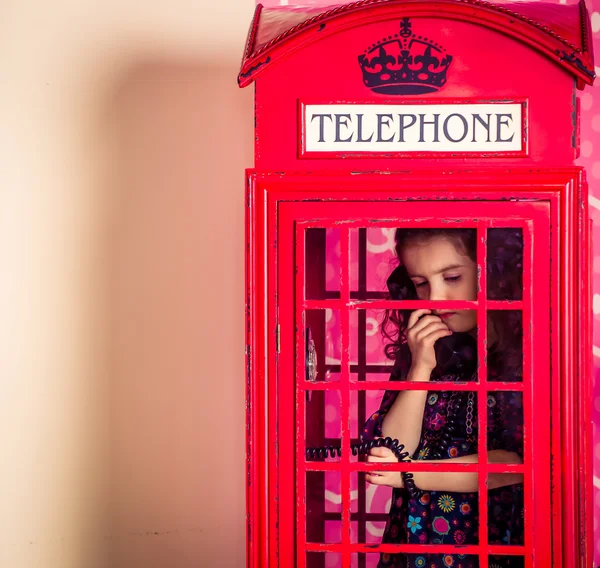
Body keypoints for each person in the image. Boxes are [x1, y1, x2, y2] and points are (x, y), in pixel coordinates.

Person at [362, 228, 524, 568]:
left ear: (492, 273)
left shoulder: (524, 356)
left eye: (452, 277)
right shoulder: (425, 348)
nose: (435, 298)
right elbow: (390, 451)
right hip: (413, 546)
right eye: (421, 283)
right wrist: (420, 365)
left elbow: (515, 464)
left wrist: (409, 474)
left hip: (489, 544)